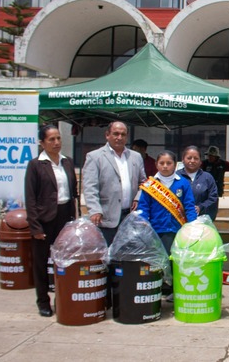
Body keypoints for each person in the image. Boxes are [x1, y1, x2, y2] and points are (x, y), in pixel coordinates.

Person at [24, 125, 78, 317]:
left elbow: (73, 194)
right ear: (42, 142)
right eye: (51, 139)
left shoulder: (67, 162)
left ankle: (62, 298)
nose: (56, 143)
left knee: (64, 261)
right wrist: (35, 226)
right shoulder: (36, 165)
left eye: (58, 138)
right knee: (40, 263)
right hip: (44, 219)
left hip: (64, 217)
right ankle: (43, 301)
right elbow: (30, 198)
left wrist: (74, 220)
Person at [83, 121, 146, 245]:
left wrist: (138, 198)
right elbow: (90, 187)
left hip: (129, 216)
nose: (119, 138)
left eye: (123, 134)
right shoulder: (95, 157)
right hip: (106, 216)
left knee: (127, 255)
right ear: (107, 135)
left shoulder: (136, 157)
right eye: (116, 134)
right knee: (107, 257)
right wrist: (95, 209)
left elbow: (143, 182)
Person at [138, 150, 198, 256]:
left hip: (177, 229)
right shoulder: (150, 185)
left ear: (175, 165)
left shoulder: (183, 183)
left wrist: (192, 225)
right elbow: (144, 207)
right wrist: (143, 223)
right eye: (161, 163)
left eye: (169, 163)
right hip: (155, 229)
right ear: (156, 165)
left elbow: (189, 206)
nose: (165, 166)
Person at [177, 146, 219, 220]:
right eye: (189, 158)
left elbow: (213, 198)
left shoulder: (207, 177)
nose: (192, 161)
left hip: (201, 221)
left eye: (196, 158)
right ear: (183, 160)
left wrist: (201, 207)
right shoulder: (176, 177)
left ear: (200, 161)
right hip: (178, 220)